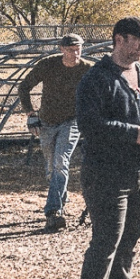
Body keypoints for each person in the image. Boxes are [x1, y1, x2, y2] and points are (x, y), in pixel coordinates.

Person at [75, 17, 140, 279]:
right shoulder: (96, 78)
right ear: (119, 39)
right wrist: (132, 133)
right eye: (138, 39)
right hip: (106, 174)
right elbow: (89, 125)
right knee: (106, 242)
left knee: (129, 240)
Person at [17, 33, 92, 232]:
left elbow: (101, 91)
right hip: (47, 122)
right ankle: (60, 199)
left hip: (72, 122)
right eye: (70, 50)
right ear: (61, 49)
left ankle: (53, 211)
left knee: (61, 161)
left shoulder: (87, 69)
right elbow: (24, 87)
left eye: (78, 49)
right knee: (52, 167)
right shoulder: (48, 65)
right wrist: (31, 114)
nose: (75, 54)